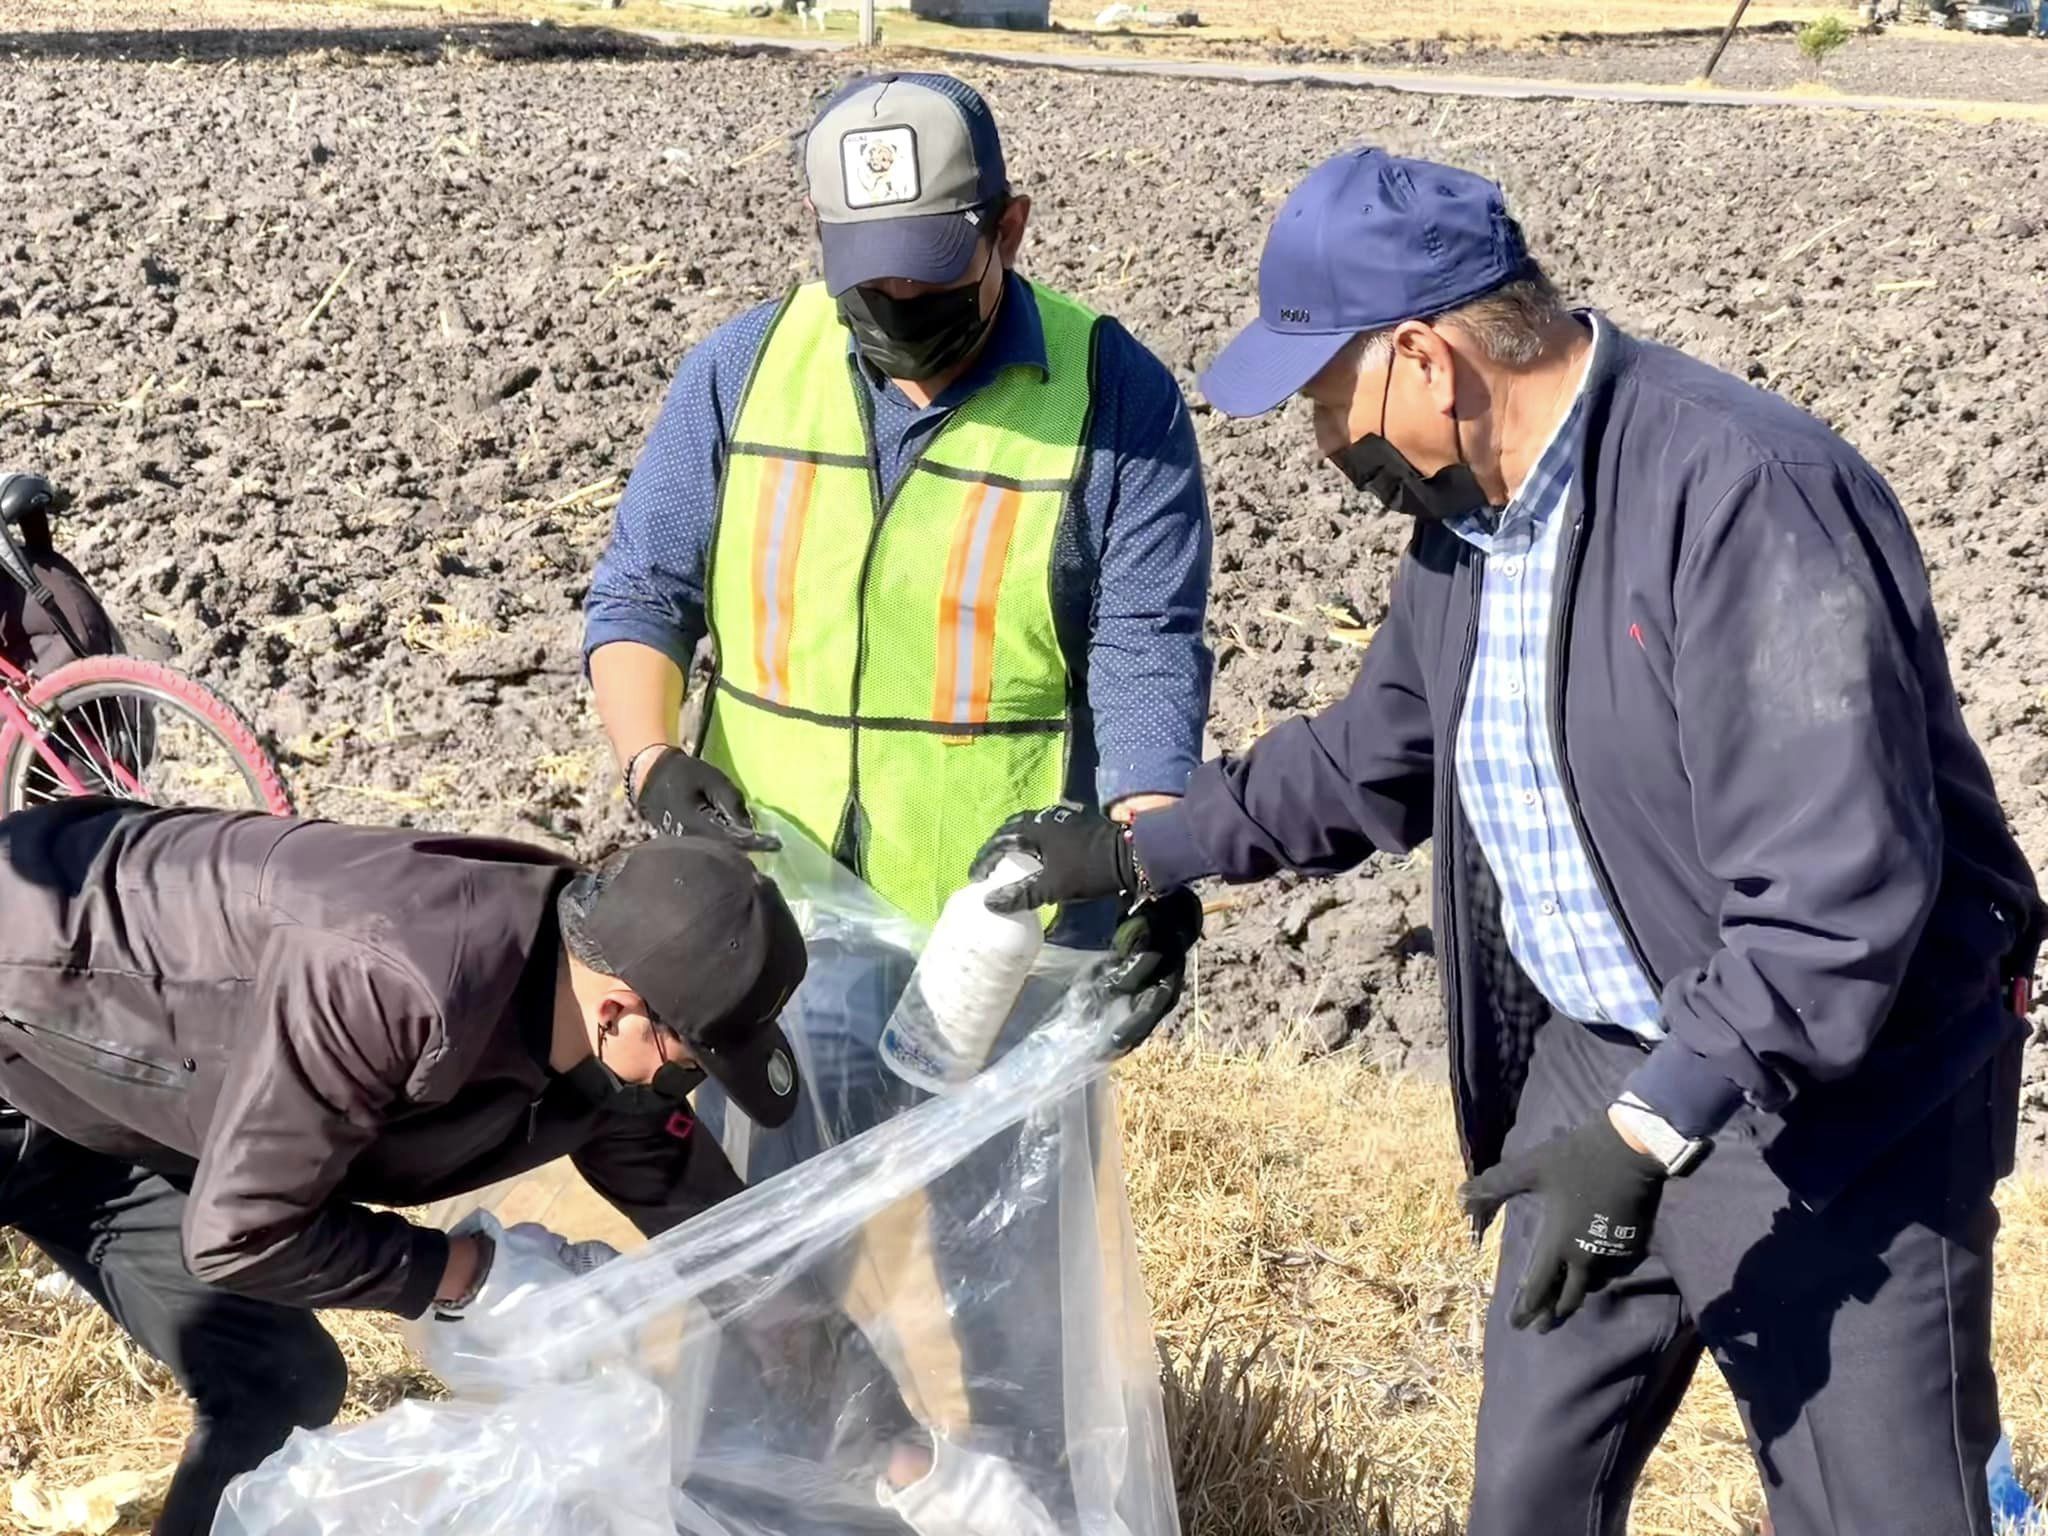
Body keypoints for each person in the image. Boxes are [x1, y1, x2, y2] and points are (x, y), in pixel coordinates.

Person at [973, 146, 2044, 1536]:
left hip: (1829, 1104)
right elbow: (1378, 755)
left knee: (1882, 1510)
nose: (1323, 443)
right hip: (1596, 1068)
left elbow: (1833, 905)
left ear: (1426, 359)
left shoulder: (1741, 498)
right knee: (1531, 1493)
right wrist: (1147, 851)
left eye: (1324, 396)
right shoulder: (1471, 529)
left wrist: (1654, 1127)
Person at [582, 71, 1211, 1147]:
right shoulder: (741, 373)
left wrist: (1150, 858)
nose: (899, 309)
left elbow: (1145, 649)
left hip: (1003, 939)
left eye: (929, 277)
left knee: (1002, 1283)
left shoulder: (1114, 397)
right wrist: (651, 762)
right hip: (778, 928)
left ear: (1008, 229)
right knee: (774, 1279)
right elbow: (643, 592)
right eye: (867, 282)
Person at [0, 798, 807, 1536]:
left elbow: (699, 1210)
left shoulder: (587, 1006)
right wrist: (463, 1272)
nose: (686, 1086)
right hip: (31, 1014)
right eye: (691, 1062)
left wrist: (836, 1378)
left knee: (278, 1382)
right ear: (617, 1009)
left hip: (114, 1101)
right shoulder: (396, 984)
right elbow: (244, 1233)